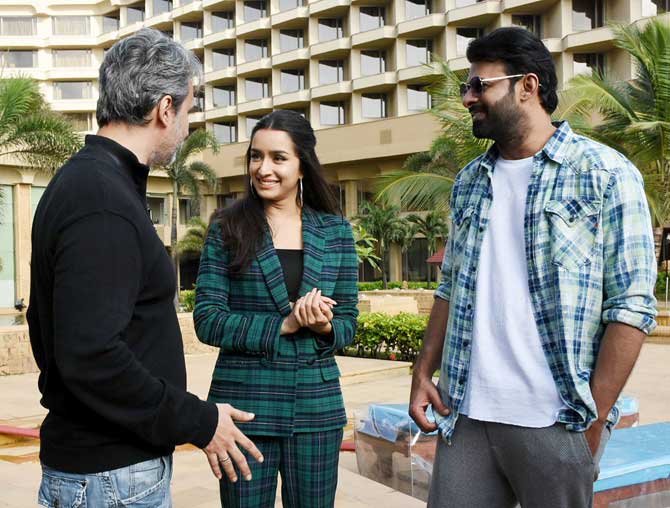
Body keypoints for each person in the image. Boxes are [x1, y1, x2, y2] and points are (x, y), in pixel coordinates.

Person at [409, 27, 657, 508]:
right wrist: (423, 372)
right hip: (466, 414)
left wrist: (594, 417)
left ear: (528, 86)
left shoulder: (604, 174)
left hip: (557, 419)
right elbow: (450, 286)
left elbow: (631, 307)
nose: (467, 98)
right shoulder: (470, 182)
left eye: (480, 85)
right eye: (468, 86)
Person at [28, 28, 263, 508]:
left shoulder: (92, 184)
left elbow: (48, 325)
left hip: (103, 471)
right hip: (110, 477)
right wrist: (198, 421)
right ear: (164, 108)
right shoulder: (101, 199)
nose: (187, 126)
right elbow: (91, 355)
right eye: (189, 111)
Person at [194, 109, 359, 508]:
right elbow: (207, 320)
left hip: (316, 411)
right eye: (256, 156)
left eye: (278, 158)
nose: (263, 168)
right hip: (245, 411)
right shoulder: (226, 228)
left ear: (302, 165)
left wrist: (323, 326)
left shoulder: (335, 232)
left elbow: (350, 321)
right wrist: (283, 324)